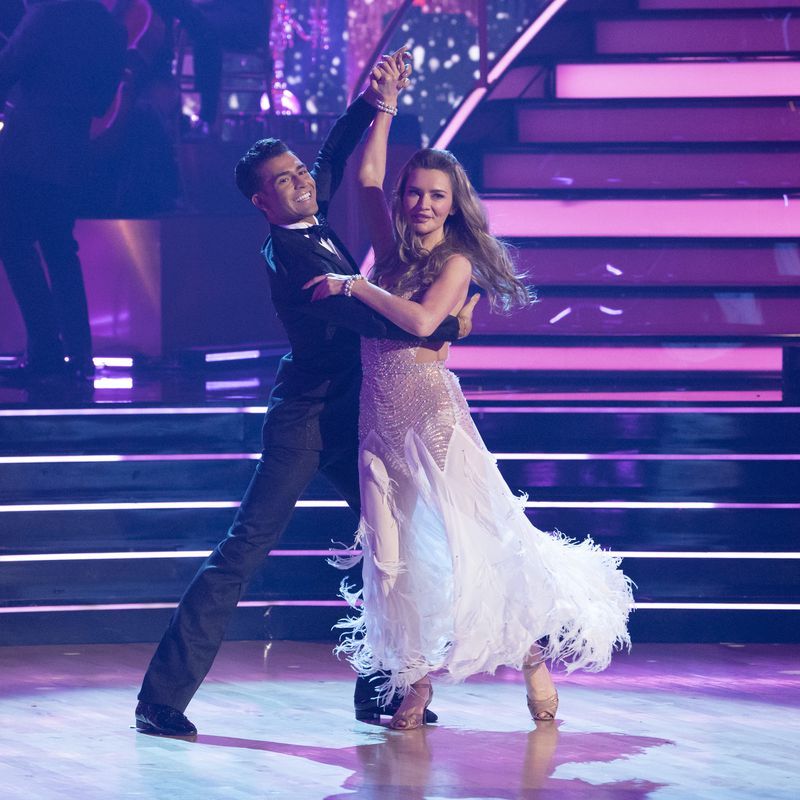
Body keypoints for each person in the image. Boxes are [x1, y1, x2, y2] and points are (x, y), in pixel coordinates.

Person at [134, 50, 477, 737]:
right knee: (247, 544)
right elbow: (378, 324)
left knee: (394, 542)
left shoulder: (307, 201)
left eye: (299, 174)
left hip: (358, 407)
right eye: (285, 182)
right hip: (308, 416)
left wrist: (377, 101)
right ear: (263, 202)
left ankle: (381, 685)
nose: (301, 183)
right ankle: (160, 699)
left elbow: (335, 152)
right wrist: (445, 319)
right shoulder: (293, 258)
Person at [305, 52, 634, 730]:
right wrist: (386, 103)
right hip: (378, 426)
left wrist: (351, 285)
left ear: (453, 207)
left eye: (437, 195)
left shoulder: (453, 263)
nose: (422, 203)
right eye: (414, 192)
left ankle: (533, 661)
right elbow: (368, 175)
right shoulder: (390, 252)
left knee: (480, 549)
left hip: (433, 421)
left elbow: (425, 323)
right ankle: (415, 685)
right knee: (392, 565)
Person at [0, 0, 127, 383]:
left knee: (13, 241)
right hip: (73, 148)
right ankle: (79, 352)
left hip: (28, 147)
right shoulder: (111, 27)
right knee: (59, 247)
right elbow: (104, 99)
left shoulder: (48, 14)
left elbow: (8, 68)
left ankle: (45, 349)